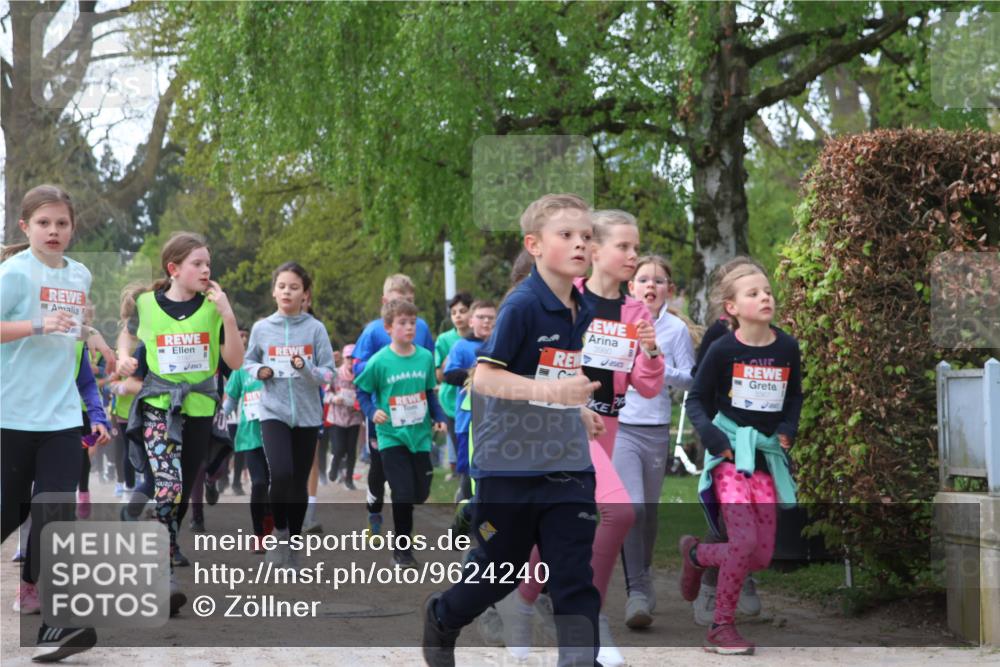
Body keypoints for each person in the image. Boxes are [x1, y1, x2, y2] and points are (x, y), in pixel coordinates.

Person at [423, 193, 605, 667]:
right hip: (509, 464)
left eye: (586, 236)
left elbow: (555, 376)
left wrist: (576, 409)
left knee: (573, 577)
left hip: (566, 466)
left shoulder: (581, 310)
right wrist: (555, 396)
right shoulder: (522, 306)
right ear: (535, 245)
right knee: (499, 574)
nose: (580, 244)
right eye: (566, 235)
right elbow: (484, 378)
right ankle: (443, 617)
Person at [498, 209, 664, 666]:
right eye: (624, 247)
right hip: (564, 424)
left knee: (557, 529)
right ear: (595, 252)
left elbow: (647, 385)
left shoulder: (634, 311)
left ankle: (525, 604)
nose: (633, 256)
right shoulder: (565, 299)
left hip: (608, 425)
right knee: (618, 511)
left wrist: (650, 349)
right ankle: (590, 622)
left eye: (635, 247)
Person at [1, 184, 115, 661]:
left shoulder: (81, 274)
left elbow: (71, 326)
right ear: (26, 227)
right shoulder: (13, 273)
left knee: (56, 516)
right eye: (44, 223)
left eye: (62, 223)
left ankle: (57, 625)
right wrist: (37, 325)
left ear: (72, 228)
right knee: (9, 513)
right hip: (11, 415)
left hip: (62, 417)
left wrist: (96, 339)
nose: (53, 231)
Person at [117, 231, 244, 608]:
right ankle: (161, 577)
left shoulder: (212, 308)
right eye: (197, 264)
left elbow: (235, 362)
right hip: (158, 406)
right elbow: (126, 336)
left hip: (200, 409)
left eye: (208, 264)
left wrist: (228, 314)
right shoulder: (146, 304)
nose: (206, 270)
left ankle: (165, 544)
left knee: (183, 490)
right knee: (168, 485)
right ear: (174, 269)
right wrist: (124, 358)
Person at [681, 260, 802, 654]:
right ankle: (721, 627)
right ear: (731, 307)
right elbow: (696, 399)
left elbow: (794, 395)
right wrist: (716, 440)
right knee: (743, 540)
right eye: (753, 293)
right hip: (731, 457)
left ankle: (696, 554)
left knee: (762, 555)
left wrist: (787, 428)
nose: (765, 297)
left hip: (765, 457)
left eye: (767, 291)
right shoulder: (723, 349)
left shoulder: (787, 347)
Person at [614, 254, 695, 628]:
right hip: (621, 427)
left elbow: (689, 380)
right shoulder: (615, 322)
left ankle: (643, 576)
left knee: (648, 511)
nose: (651, 286)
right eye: (643, 279)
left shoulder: (675, 331)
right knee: (634, 509)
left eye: (659, 281)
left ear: (669, 290)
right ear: (631, 287)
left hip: (656, 428)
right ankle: (636, 591)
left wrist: (656, 362)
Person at [689, 256, 767, 627]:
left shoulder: (769, 335)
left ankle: (728, 567)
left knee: (756, 518)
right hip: (724, 440)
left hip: (762, 444)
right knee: (728, 521)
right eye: (750, 290)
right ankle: (708, 586)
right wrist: (713, 436)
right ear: (729, 299)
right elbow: (699, 391)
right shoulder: (718, 337)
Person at [243, 261, 335, 568]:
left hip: (307, 415)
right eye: (282, 286)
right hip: (273, 410)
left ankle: (293, 543)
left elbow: (327, 374)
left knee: (297, 483)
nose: (287, 291)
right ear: (273, 291)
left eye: (294, 287)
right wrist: (262, 370)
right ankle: (279, 531)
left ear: (305, 294)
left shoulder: (315, 329)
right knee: (279, 473)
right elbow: (247, 363)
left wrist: (305, 368)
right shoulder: (261, 328)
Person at [354, 299, 447, 568]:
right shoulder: (380, 361)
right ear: (388, 328)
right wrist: (372, 411)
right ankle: (402, 551)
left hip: (419, 436)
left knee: (420, 493)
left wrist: (438, 417)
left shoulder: (425, 358)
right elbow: (362, 390)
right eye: (402, 323)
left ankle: (403, 519)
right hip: (391, 435)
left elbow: (429, 392)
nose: (409, 328)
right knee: (403, 493)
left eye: (413, 322)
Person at [352, 274, 435, 539]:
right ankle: (374, 510)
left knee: (414, 487)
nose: (408, 323)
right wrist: (387, 367)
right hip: (383, 415)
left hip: (416, 417)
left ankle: (403, 499)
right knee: (379, 469)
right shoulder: (373, 331)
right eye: (398, 300)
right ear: (385, 301)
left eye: (409, 301)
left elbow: (429, 364)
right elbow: (359, 369)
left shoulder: (421, 328)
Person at [442, 300, 496, 503]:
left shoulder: (501, 345)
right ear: (471, 321)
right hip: (469, 421)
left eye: (491, 318)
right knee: (470, 473)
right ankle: (461, 517)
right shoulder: (462, 346)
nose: (486, 321)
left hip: (497, 420)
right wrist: (474, 374)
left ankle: (484, 524)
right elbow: (449, 375)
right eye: (481, 317)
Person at [222, 363, 271, 552]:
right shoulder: (241, 369)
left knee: (276, 485)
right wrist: (218, 419)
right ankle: (259, 535)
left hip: (277, 435)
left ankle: (272, 525)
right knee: (259, 483)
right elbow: (232, 399)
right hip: (251, 436)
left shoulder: (278, 363)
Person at [435, 291, 473, 473]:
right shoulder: (444, 340)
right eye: (454, 313)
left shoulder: (483, 336)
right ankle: (462, 483)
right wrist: (447, 365)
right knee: (461, 448)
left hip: (478, 400)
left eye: (463, 311)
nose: (458, 316)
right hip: (451, 401)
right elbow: (439, 376)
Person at [326, 343, 363, 489]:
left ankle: (349, 479)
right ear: (343, 358)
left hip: (354, 417)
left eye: (354, 358)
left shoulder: (360, 376)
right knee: (339, 448)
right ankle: (334, 466)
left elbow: (364, 394)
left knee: (351, 450)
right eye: (348, 358)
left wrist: (359, 402)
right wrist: (334, 399)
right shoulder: (335, 374)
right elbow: (325, 393)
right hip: (337, 418)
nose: (351, 361)